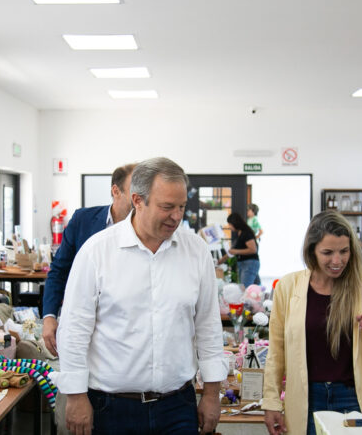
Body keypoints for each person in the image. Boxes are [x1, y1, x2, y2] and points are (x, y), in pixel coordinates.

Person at [52, 157, 226, 435]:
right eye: (167, 207)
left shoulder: (196, 252)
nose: (176, 216)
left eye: (181, 206)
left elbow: (208, 326)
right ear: (137, 200)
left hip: (177, 406)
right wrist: (75, 396)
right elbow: (74, 330)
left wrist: (212, 393)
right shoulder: (97, 252)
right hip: (111, 407)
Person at [263, 211, 362, 435]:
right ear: (311, 252)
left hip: (354, 399)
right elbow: (276, 352)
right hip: (306, 400)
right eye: (327, 252)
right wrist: (271, 401)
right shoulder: (288, 287)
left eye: (344, 251)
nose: (337, 261)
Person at [42, 163, 136, 357]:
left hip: (127, 330)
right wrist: (49, 316)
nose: (140, 198)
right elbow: (59, 271)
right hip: (82, 322)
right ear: (116, 191)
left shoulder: (148, 231)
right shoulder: (83, 220)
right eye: (135, 191)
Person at [219, 212, 261, 285]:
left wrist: (236, 251)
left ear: (235, 223)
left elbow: (253, 250)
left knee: (245, 288)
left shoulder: (246, 232)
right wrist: (220, 261)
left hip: (249, 263)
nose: (229, 227)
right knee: (250, 288)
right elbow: (232, 252)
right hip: (244, 263)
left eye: (230, 224)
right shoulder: (239, 233)